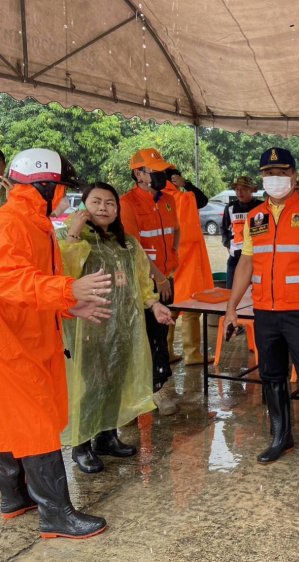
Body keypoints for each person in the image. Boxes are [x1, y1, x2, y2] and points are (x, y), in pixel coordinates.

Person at [0, 148, 111, 538]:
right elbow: (9, 281)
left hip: (28, 337)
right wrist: (69, 290)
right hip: (10, 346)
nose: (66, 195)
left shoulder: (37, 223)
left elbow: (37, 286)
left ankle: (14, 498)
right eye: (62, 187)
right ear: (44, 185)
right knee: (37, 424)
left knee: (12, 420)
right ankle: (56, 516)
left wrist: (70, 305)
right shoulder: (11, 222)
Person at [224, 147, 299, 484]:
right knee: (272, 376)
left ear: (293, 175)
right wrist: (232, 306)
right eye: (268, 174)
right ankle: (281, 437)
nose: (274, 179)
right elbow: (247, 262)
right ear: (262, 178)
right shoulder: (255, 217)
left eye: (281, 173)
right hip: (265, 312)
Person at [59, 182, 175, 474]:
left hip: (123, 326)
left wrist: (154, 305)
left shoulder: (127, 242)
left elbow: (140, 280)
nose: (103, 208)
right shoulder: (70, 237)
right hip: (88, 327)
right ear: (84, 206)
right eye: (96, 202)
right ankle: (81, 444)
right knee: (92, 384)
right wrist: (74, 233)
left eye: (109, 203)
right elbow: (64, 276)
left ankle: (106, 436)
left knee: (114, 381)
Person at [120, 148, 181, 415]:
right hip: (147, 282)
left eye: (161, 172)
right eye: (154, 172)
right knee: (148, 336)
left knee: (162, 332)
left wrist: (171, 264)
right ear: (138, 174)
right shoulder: (127, 203)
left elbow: (175, 231)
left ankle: (159, 384)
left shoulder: (168, 200)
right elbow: (135, 248)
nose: (160, 176)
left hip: (167, 277)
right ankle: (155, 388)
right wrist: (157, 277)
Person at [164, 168, 214, 366]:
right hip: (187, 260)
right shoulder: (182, 198)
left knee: (170, 307)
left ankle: (166, 351)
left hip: (167, 263)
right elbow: (203, 199)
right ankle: (192, 353)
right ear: (175, 180)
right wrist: (187, 185)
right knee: (191, 307)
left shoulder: (157, 199)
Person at [221, 176, 262, 289]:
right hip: (235, 259)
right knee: (231, 291)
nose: (239, 192)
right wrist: (228, 245)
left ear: (251, 190)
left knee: (256, 293)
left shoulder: (261, 207)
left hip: (257, 259)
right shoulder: (230, 208)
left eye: (243, 189)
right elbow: (224, 229)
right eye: (237, 189)